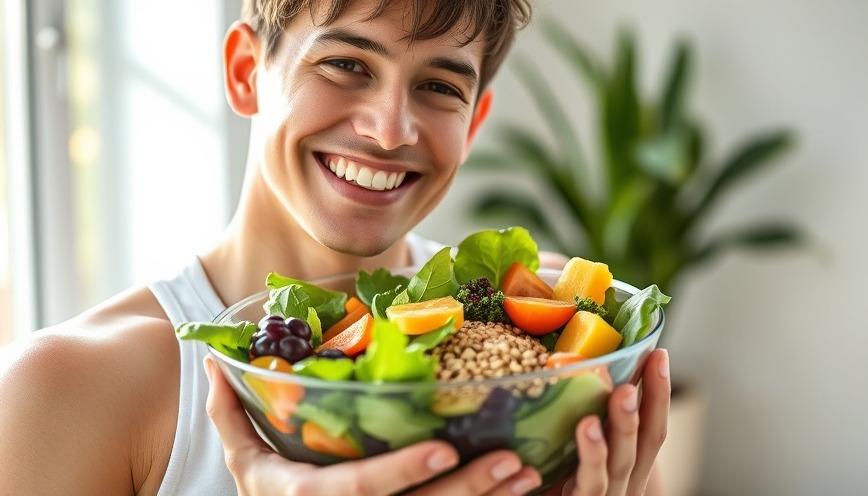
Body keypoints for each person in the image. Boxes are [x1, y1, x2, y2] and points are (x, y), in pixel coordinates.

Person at [0, 0, 671, 494]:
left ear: (473, 123)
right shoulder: (67, 392)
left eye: (439, 86)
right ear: (243, 72)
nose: (388, 130)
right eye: (345, 63)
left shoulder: (558, 350)